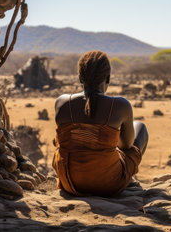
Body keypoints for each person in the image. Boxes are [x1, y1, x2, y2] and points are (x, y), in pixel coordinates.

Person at [52, 50, 148, 197]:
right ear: (108, 78)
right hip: (108, 184)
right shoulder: (120, 105)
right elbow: (127, 146)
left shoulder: (62, 102)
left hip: (69, 182)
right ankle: (127, 177)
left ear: (80, 78)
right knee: (140, 127)